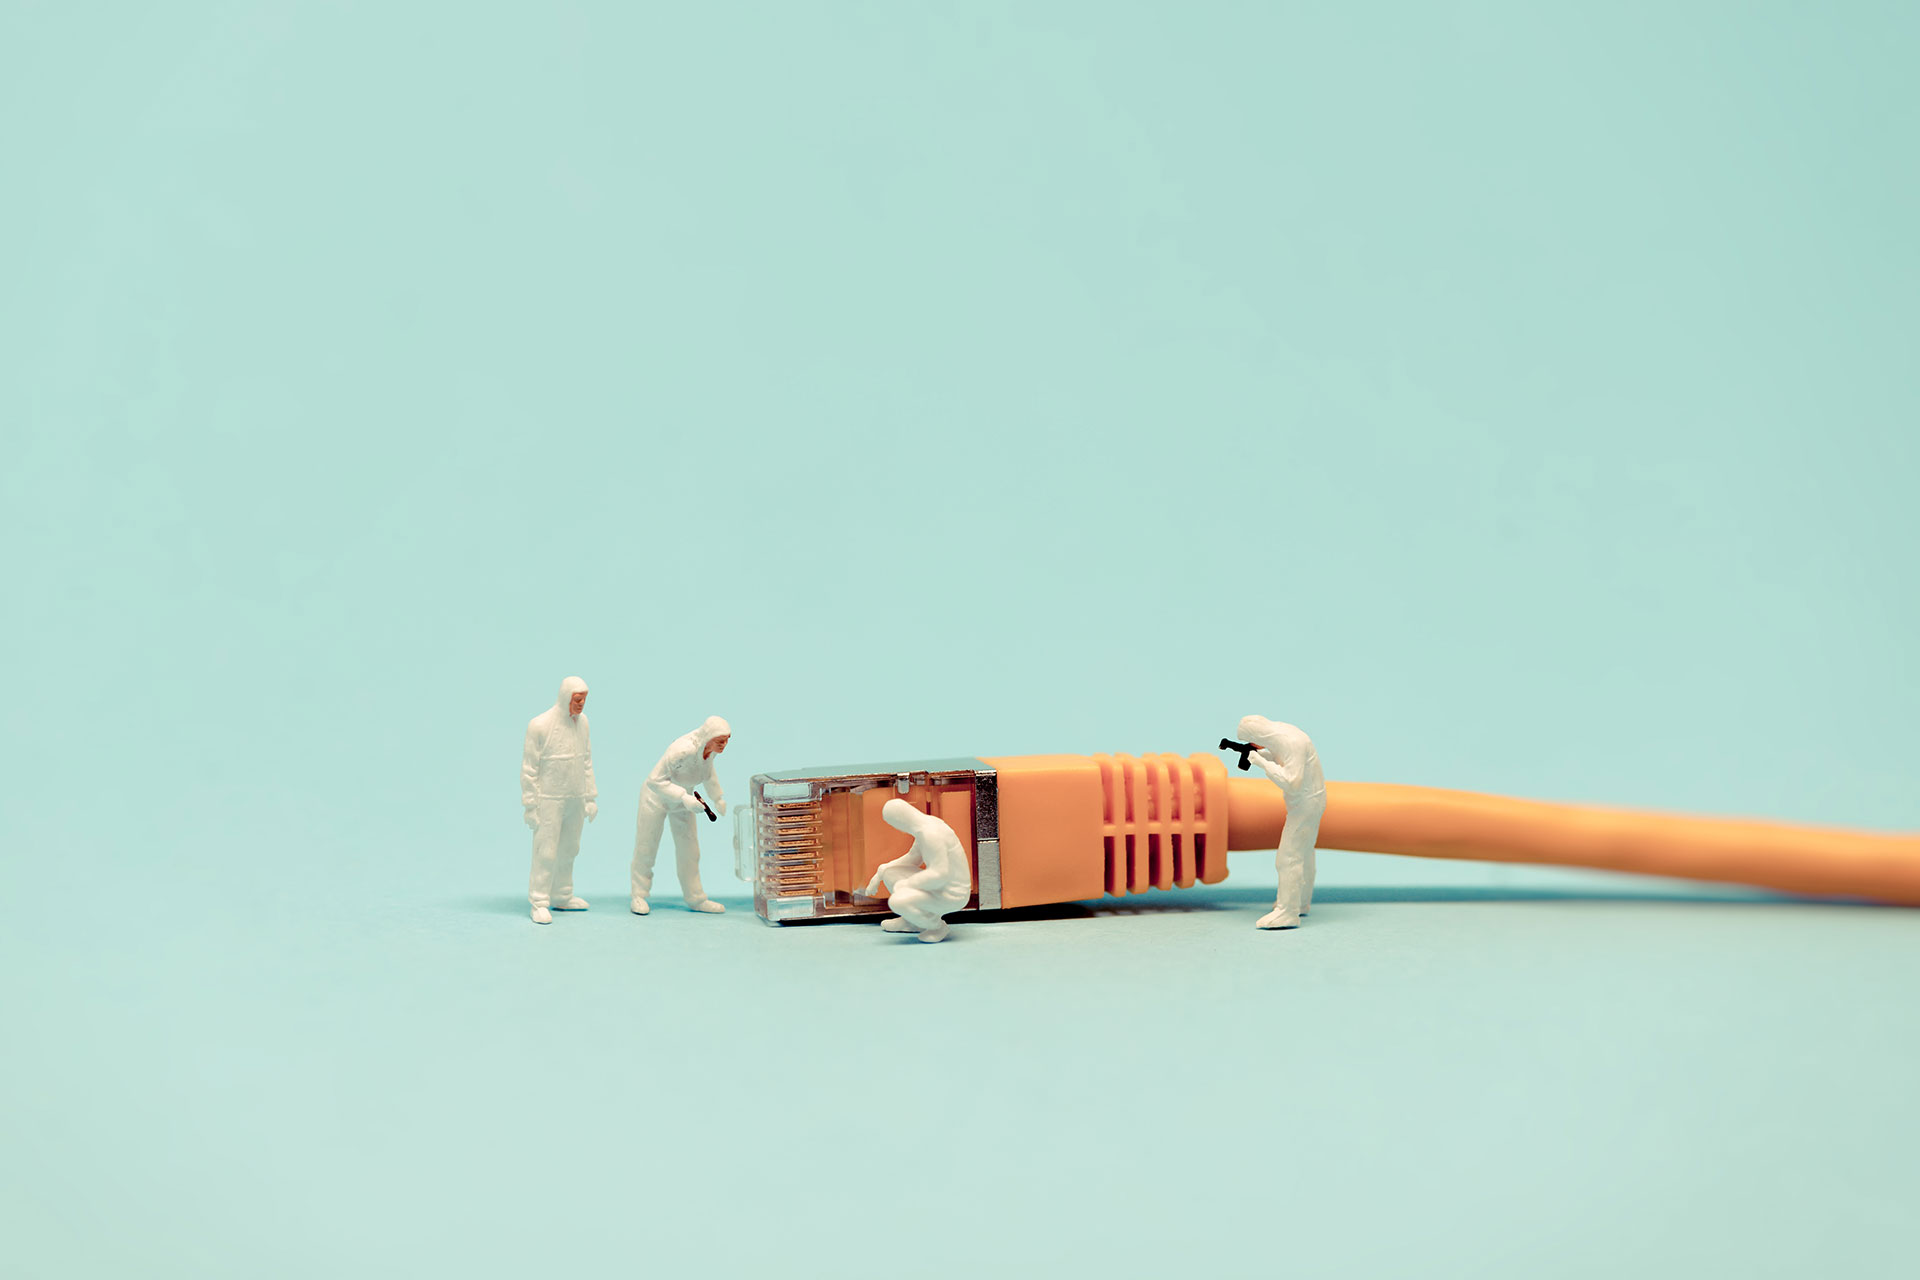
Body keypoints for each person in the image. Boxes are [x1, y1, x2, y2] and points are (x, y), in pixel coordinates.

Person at [630, 716, 732, 915]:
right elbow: (654, 781)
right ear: (708, 737)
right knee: (647, 846)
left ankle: (696, 898)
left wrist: (717, 797)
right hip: (655, 798)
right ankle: (638, 895)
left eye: (727, 740)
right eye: (720, 740)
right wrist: (683, 797)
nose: (724, 745)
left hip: (685, 799)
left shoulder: (710, 751)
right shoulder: (682, 751)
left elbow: (709, 773)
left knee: (690, 850)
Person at [1238, 714, 1325, 930]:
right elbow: (1280, 756)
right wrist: (1260, 754)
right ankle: (1300, 902)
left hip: (1305, 804)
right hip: (1311, 800)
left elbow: (1291, 782)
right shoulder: (1282, 733)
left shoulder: (1290, 742)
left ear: (1257, 737)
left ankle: (1287, 912)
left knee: (1288, 857)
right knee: (1304, 853)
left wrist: (1261, 762)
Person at [522, 677, 597, 924]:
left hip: (575, 798)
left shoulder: (583, 724)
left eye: (584, 699)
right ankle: (539, 901)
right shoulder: (540, 725)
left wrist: (590, 797)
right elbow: (529, 769)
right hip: (549, 800)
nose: (581, 704)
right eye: (577, 699)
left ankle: (563, 895)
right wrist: (530, 805)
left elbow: (586, 761)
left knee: (570, 848)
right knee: (546, 851)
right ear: (566, 697)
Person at [862, 798, 972, 944]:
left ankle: (937, 927)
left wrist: (908, 884)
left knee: (898, 902)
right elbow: (913, 858)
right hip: (940, 885)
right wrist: (881, 872)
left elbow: (939, 874)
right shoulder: (926, 826)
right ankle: (912, 922)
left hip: (953, 893)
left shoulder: (930, 834)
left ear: (900, 820)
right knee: (890, 873)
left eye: (895, 825)